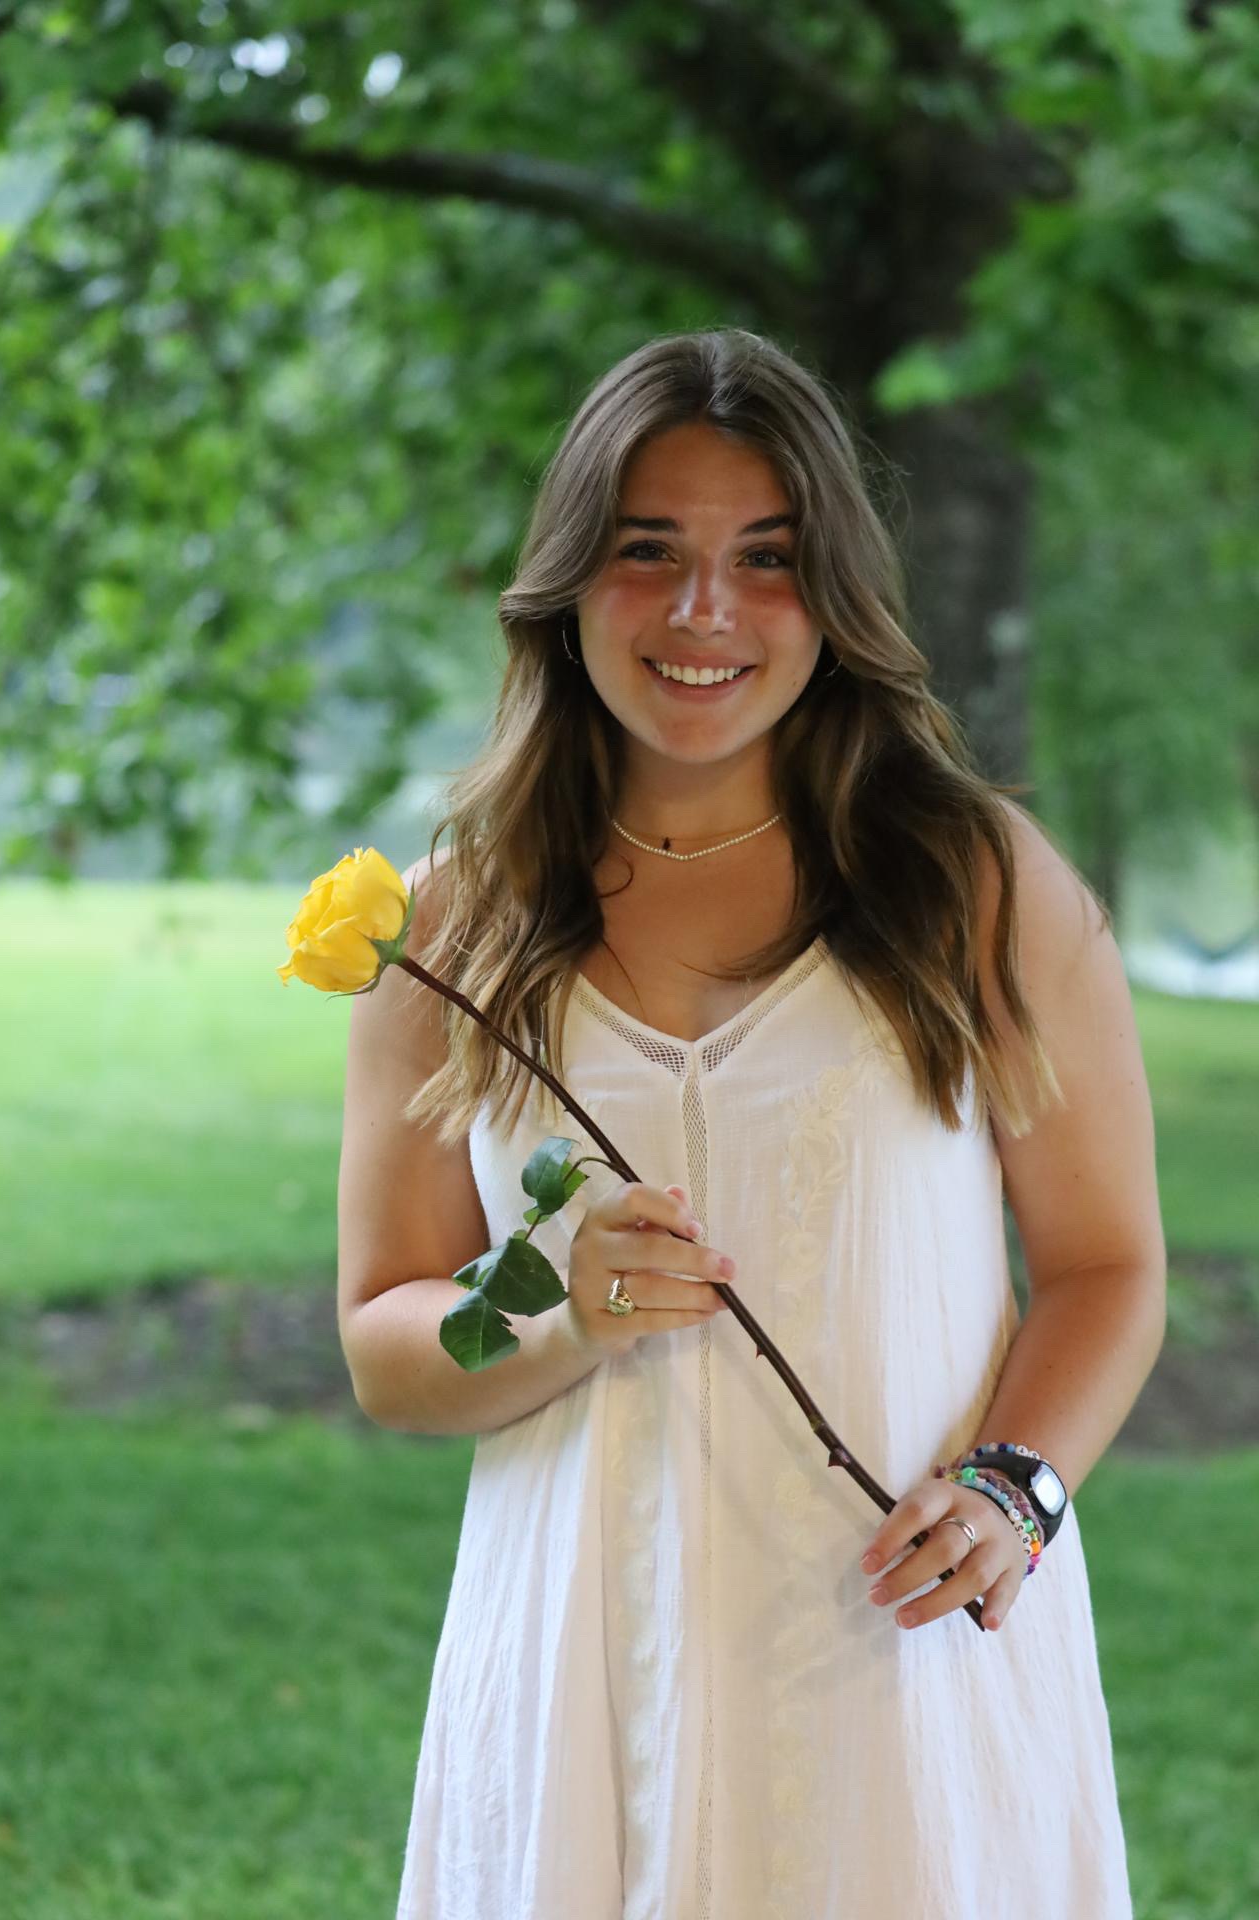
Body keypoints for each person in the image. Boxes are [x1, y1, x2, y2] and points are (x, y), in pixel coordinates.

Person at [337, 328, 1165, 1919]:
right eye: (649, 550)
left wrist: (1016, 1492)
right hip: (578, 1677)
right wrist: (561, 1315)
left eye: (766, 558)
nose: (705, 610)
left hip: (902, 1681)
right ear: (569, 582)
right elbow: (384, 1338)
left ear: (832, 593)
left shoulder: (977, 888)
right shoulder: (448, 927)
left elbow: (1108, 1266)